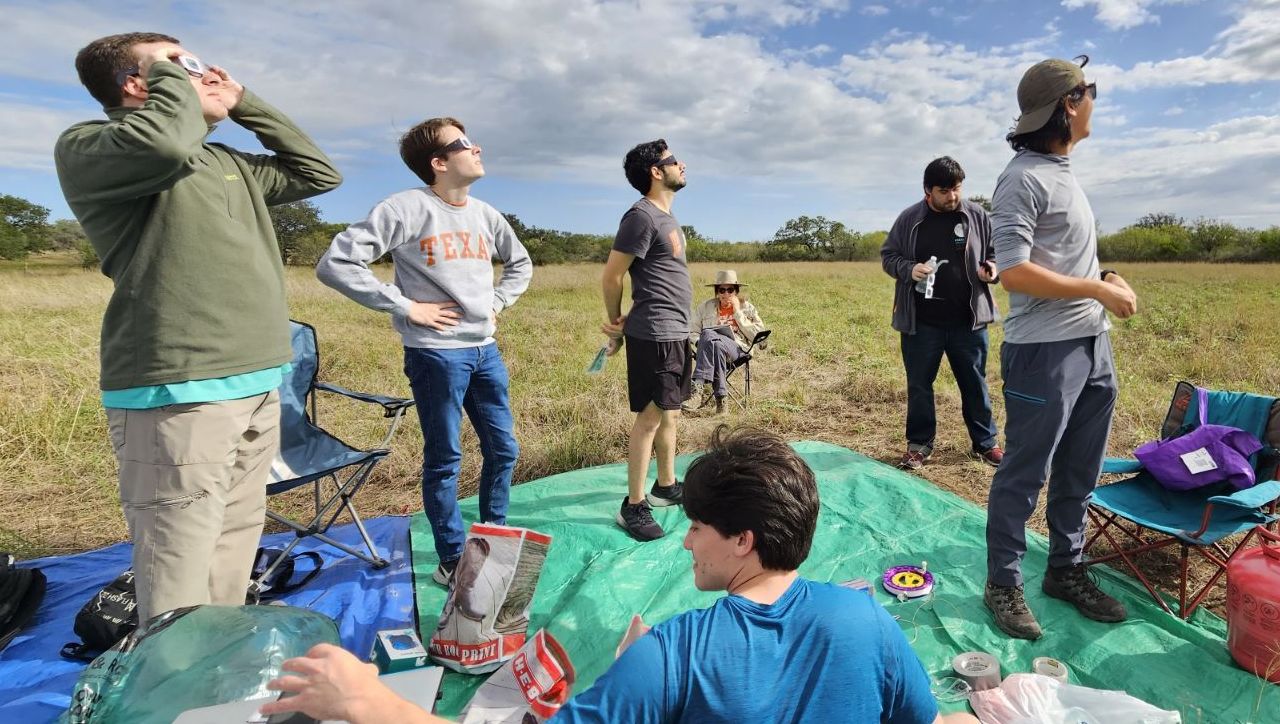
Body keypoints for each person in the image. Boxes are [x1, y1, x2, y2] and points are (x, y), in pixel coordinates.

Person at [262, 427, 979, 724]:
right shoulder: (871, 621)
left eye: (696, 526)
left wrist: (363, 701)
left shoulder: (674, 655)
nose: (685, 543)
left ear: (743, 541)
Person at [53, 32, 341, 626]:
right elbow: (161, 141)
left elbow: (318, 173)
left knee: (234, 548)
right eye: (184, 64)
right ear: (139, 83)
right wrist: (173, 82)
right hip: (181, 391)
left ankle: (214, 678)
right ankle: (170, 693)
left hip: (259, 379)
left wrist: (245, 103)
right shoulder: (92, 146)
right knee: (178, 568)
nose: (203, 71)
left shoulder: (225, 161)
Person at [316, 118, 532, 586]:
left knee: (504, 448)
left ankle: (492, 542)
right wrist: (406, 306)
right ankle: (453, 559)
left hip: (484, 350)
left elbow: (520, 262)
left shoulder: (486, 214)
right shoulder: (405, 209)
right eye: (462, 144)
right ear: (438, 163)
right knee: (445, 458)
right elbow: (335, 263)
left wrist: (496, 303)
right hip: (436, 354)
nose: (476, 147)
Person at [984, 56, 1138, 640]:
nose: (1096, 100)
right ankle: (1002, 583)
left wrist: (1109, 278)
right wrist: (1096, 287)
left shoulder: (1062, 171)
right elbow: (1016, 273)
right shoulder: (1021, 178)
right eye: (1090, 91)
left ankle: (1065, 570)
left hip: (1092, 343)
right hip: (1043, 353)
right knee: (1025, 471)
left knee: (1081, 468)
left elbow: (1067, 257)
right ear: (1068, 104)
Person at [881, 157, 1002, 471]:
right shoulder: (909, 219)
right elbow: (888, 256)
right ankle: (919, 446)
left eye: (957, 188)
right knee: (920, 385)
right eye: (944, 190)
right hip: (921, 323)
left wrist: (993, 269)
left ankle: (986, 444)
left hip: (968, 321)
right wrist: (908, 269)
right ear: (927, 191)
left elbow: (996, 252)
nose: (952, 196)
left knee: (975, 383)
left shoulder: (977, 216)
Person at [599, 139, 693, 541]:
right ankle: (633, 505)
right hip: (654, 331)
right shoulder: (640, 217)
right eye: (674, 161)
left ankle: (666, 486)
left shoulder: (666, 217)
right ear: (656, 171)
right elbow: (612, 275)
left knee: (669, 411)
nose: (681, 164)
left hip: (676, 329)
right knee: (651, 418)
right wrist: (616, 323)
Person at [684, 270, 767, 415]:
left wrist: (737, 313)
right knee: (714, 344)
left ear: (736, 291)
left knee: (708, 333)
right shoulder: (705, 307)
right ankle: (722, 403)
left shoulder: (746, 307)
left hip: (738, 350)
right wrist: (701, 343)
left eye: (730, 290)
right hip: (712, 351)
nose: (726, 294)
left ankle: (697, 388)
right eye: (722, 290)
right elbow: (692, 332)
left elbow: (758, 336)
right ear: (717, 291)